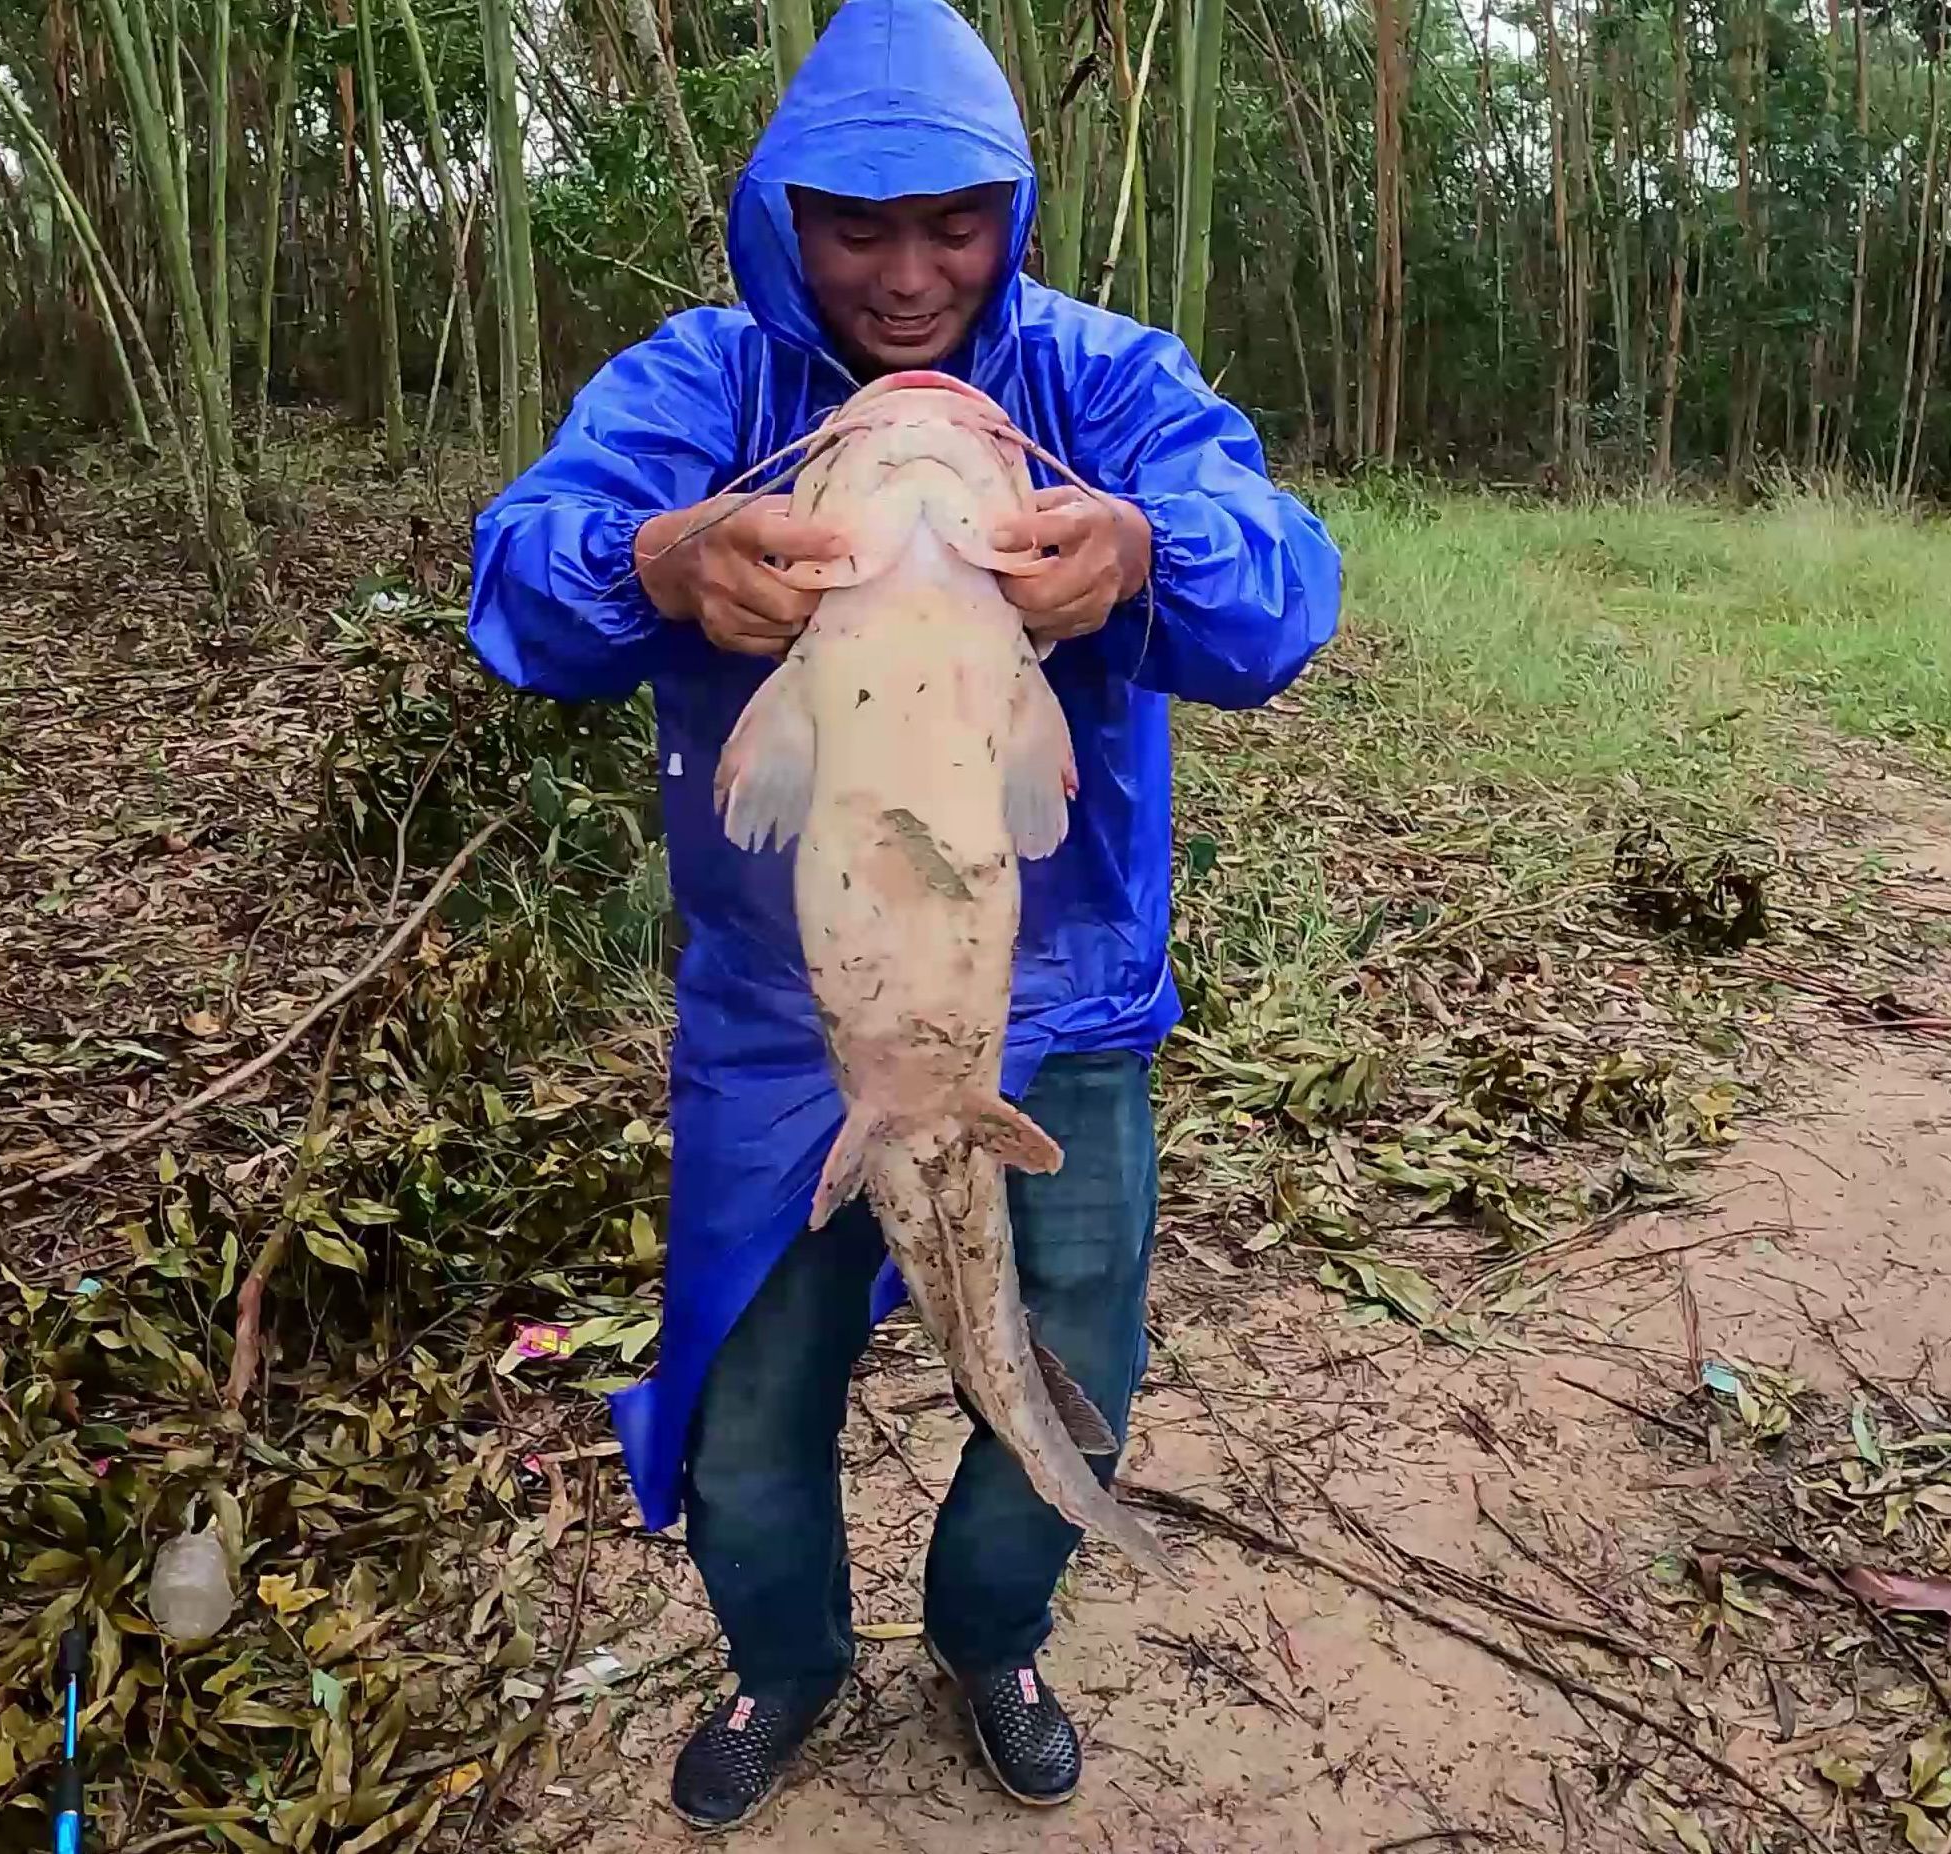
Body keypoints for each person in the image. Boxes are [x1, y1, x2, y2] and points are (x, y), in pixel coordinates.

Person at [467, 0, 1339, 1829]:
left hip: (1060, 995)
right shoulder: (702, 389)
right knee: (746, 1395)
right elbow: (520, 589)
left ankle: (989, 1633)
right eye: (854, 224)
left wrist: (1146, 554)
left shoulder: (1099, 381)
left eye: (953, 220)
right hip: (780, 1021)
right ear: (778, 214)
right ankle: (785, 1663)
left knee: (1058, 1354)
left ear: (1012, 211)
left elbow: (1280, 590)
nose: (908, 271)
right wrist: (658, 557)